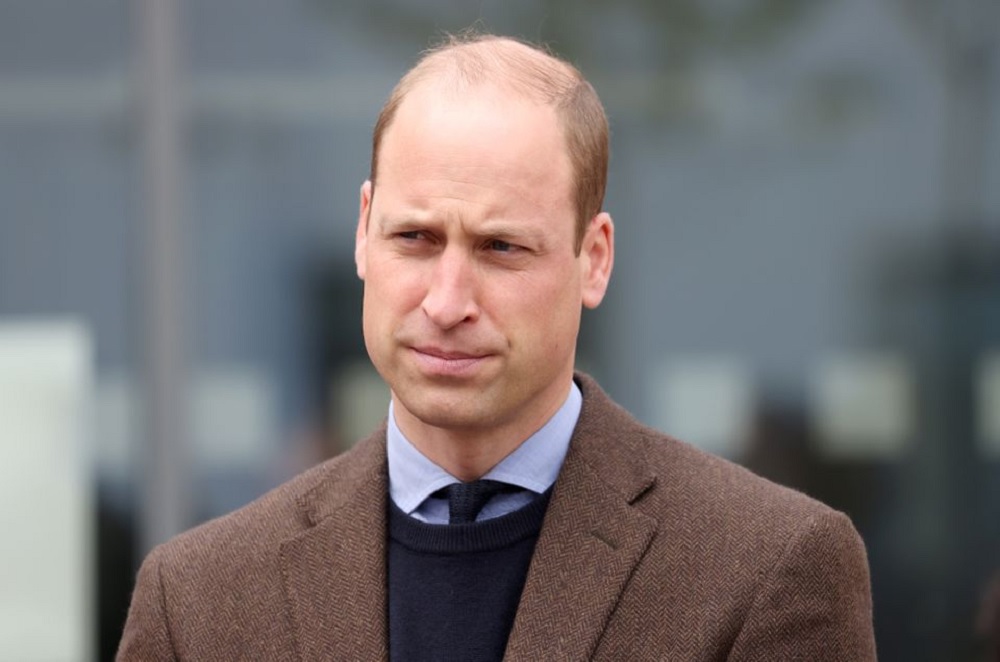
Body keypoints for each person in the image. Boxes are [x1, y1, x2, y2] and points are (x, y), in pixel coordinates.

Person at [118, 33, 877, 661]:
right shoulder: (199, 603)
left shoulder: (766, 569)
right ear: (362, 231)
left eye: (501, 248)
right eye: (414, 238)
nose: (447, 302)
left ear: (596, 258)